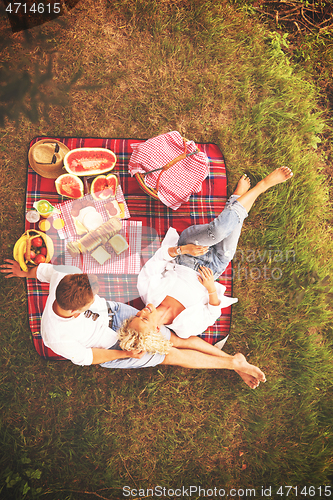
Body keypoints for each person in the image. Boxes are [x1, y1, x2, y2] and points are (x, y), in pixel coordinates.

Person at [1, 260, 266, 389]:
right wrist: (125, 354)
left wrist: (24, 272)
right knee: (169, 355)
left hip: (117, 313)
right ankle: (233, 364)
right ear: (75, 309)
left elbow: (44, 271)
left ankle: (234, 360)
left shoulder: (65, 277)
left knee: (171, 338)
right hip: (114, 346)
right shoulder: (55, 336)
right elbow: (88, 357)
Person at [118, 166, 293, 349]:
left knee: (217, 232)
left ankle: (263, 186)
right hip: (215, 266)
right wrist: (210, 289)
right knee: (231, 231)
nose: (141, 312)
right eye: (144, 319)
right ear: (155, 330)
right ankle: (235, 200)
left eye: (137, 315)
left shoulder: (146, 290)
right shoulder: (185, 328)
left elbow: (159, 259)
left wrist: (184, 249)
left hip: (186, 254)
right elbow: (213, 312)